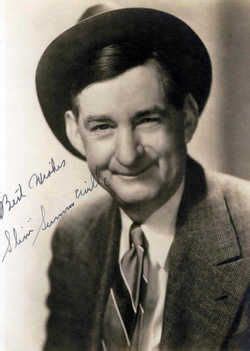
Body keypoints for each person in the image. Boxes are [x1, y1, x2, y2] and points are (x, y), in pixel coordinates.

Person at [36, 3, 250, 351]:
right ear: (76, 133)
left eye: (147, 120)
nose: (127, 154)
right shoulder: (76, 237)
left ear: (188, 118)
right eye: (102, 126)